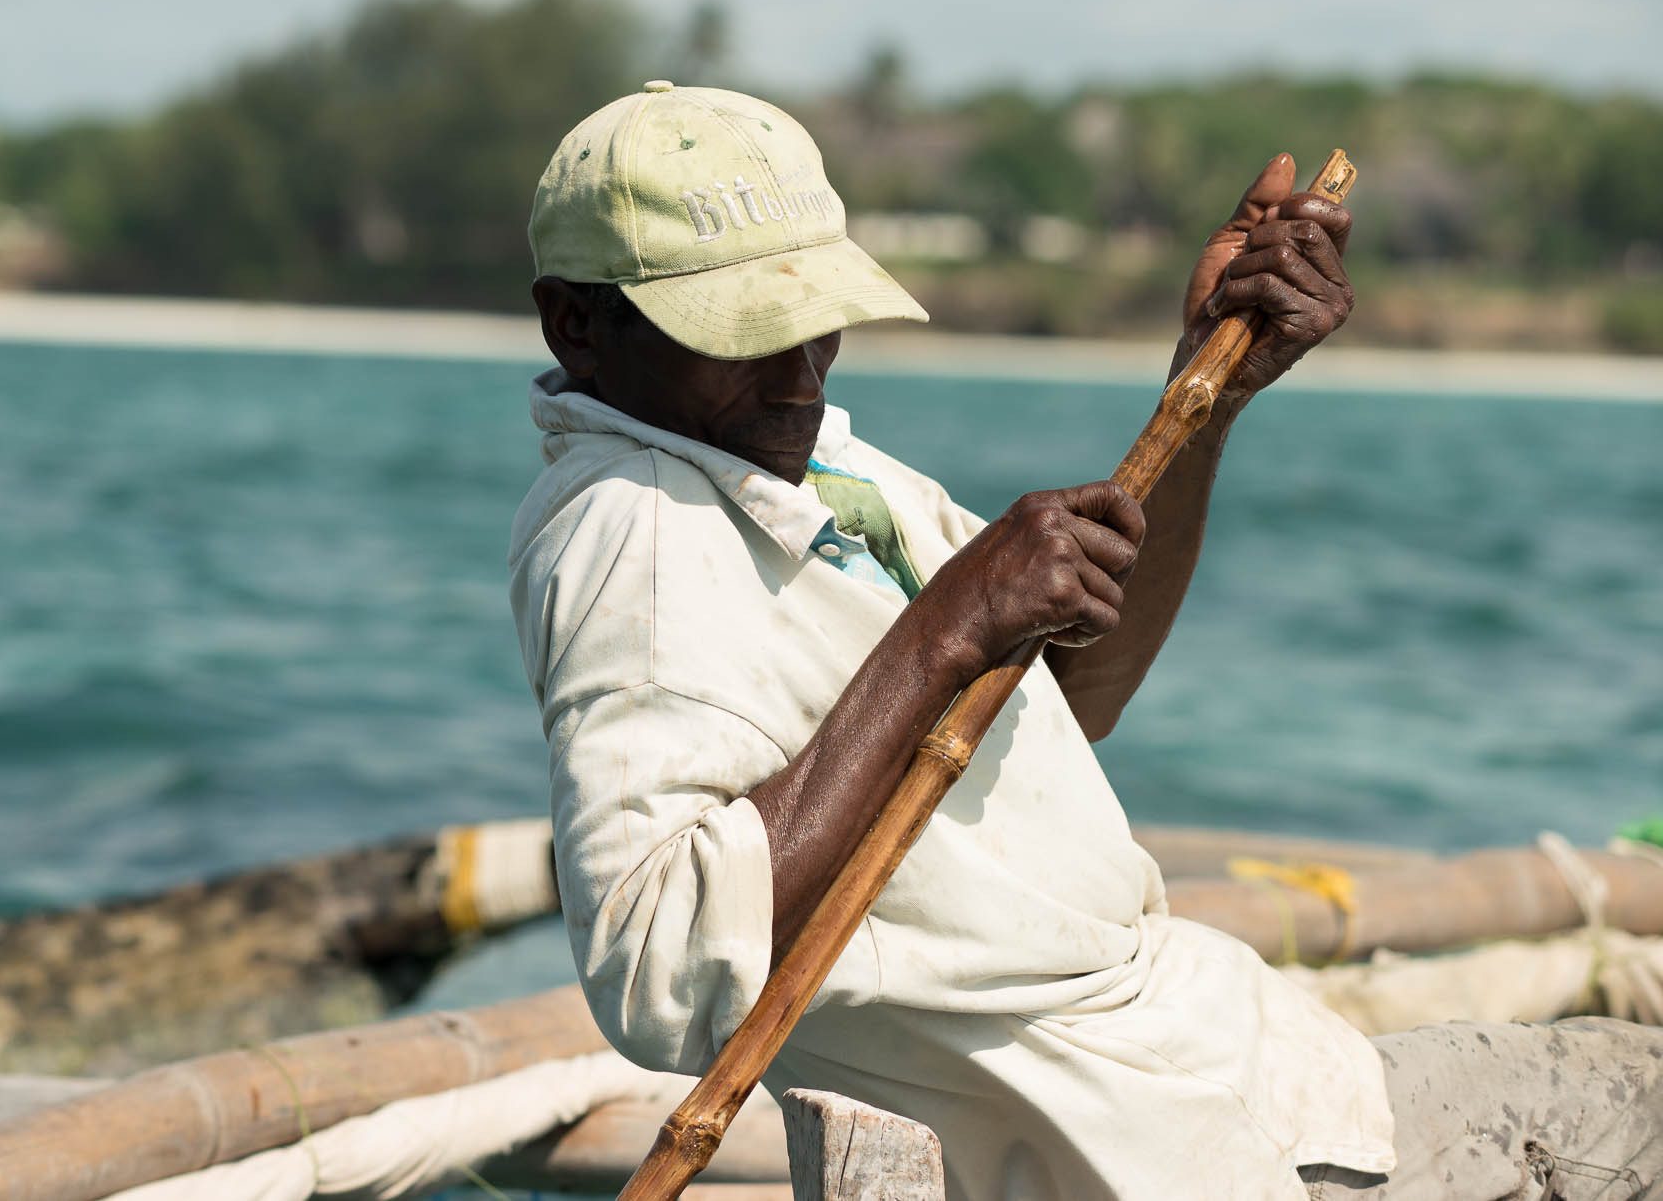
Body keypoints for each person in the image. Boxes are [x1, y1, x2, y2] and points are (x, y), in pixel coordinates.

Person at [508, 81, 1662, 1200]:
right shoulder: (634, 535)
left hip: (1218, 1070)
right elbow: (653, 967)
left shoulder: (809, 471)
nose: (798, 373)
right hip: (1132, 1145)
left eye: (815, 325)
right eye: (743, 334)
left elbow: (1073, 702)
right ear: (579, 323)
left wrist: (1206, 391)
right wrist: (947, 625)